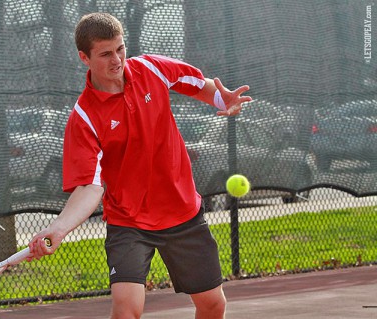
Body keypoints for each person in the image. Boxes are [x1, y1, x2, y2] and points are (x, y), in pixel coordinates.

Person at [27, 12, 252, 319]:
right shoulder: (84, 117)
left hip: (182, 210)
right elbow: (90, 185)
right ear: (85, 57)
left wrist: (221, 99)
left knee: (213, 305)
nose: (117, 60)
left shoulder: (150, 68)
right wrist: (58, 228)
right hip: (129, 221)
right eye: (105, 54)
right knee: (126, 311)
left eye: (120, 49)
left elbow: (198, 84)